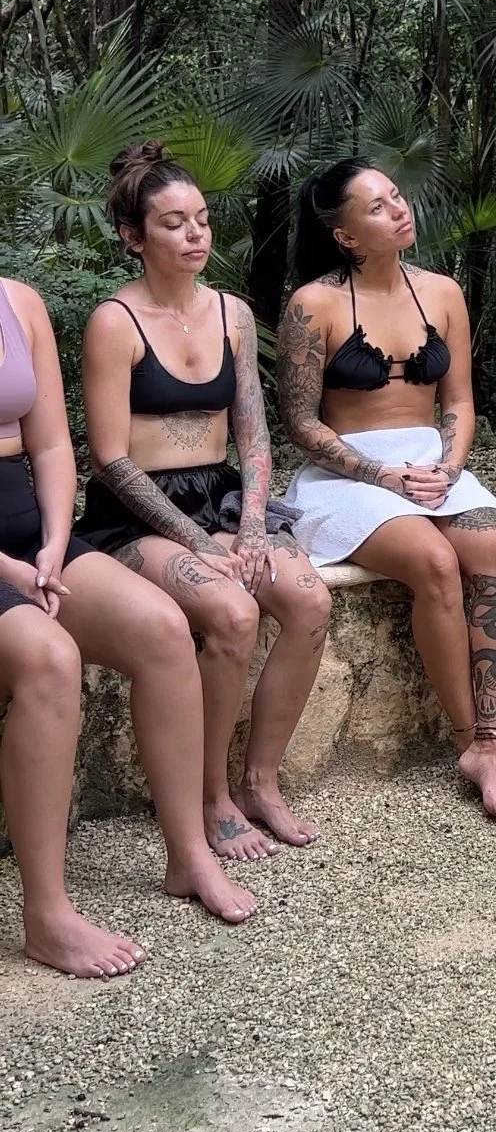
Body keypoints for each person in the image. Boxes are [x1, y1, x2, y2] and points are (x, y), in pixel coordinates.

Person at [80, 143, 330, 859]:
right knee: (230, 609)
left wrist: (251, 528)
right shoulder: (114, 323)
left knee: (310, 602)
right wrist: (198, 542)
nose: (196, 235)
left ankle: (261, 779)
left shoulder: (233, 314)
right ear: (135, 237)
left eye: (202, 220)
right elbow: (110, 457)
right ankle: (208, 793)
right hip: (138, 512)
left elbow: (253, 432)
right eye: (173, 224)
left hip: (222, 498)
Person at [2, 270, 254, 972]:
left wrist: (52, 544)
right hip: (5, 563)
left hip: (32, 536)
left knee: (163, 630)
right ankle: (47, 914)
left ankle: (188, 855)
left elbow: (52, 446)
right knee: (49, 659)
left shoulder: (19, 301)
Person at [276, 158, 496, 825]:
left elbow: (460, 401)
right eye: (378, 206)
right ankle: (468, 740)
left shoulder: (443, 292)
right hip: (347, 476)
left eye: (397, 196)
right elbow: (300, 422)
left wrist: (448, 467)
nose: (399, 209)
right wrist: (379, 475)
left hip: (432, 464)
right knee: (434, 563)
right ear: (346, 235)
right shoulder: (314, 304)